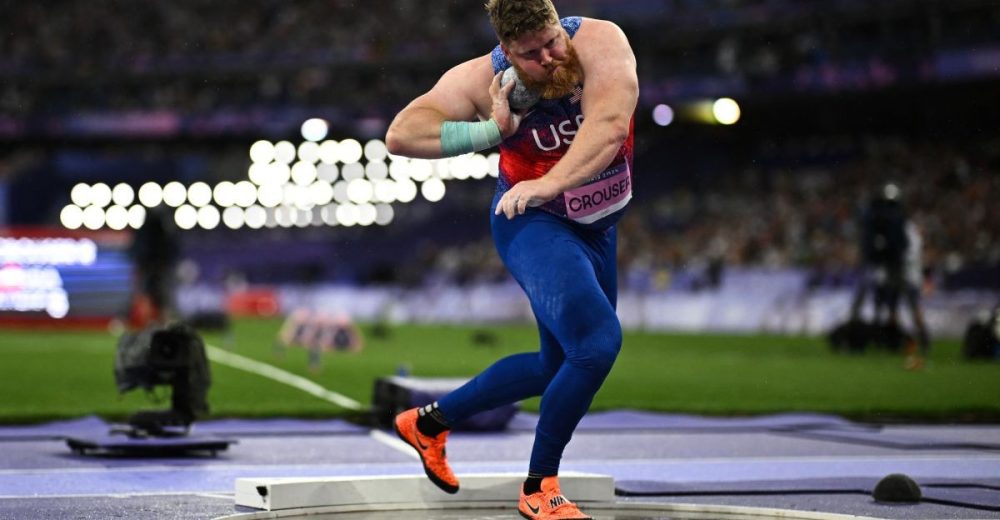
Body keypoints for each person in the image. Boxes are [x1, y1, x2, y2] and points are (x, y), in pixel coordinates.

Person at [384, 1, 637, 518]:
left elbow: (611, 125)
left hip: (595, 226)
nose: (547, 58)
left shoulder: (601, 42)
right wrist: (490, 132)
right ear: (506, 51)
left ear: (559, 23)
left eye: (551, 42)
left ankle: (428, 423)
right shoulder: (482, 79)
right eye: (530, 54)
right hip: (531, 222)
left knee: (556, 366)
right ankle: (539, 486)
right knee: (596, 344)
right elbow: (402, 134)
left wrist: (552, 181)